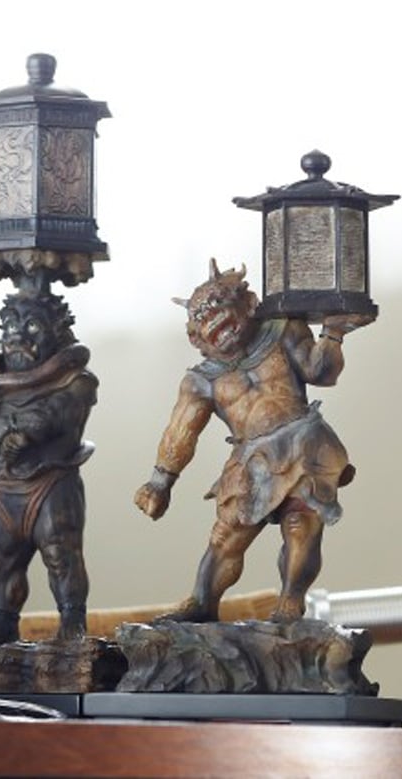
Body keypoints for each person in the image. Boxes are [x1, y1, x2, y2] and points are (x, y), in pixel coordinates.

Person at [134, 259, 371, 622]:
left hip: (304, 444)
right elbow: (181, 432)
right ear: (198, 339)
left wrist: (332, 333)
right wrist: (159, 482)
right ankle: (202, 602)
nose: (223, 333)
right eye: (211, 329)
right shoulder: (201, 381)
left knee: (301, 526)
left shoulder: (284, 331)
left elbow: (320, 371)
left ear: (247, 306)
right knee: (226, 536)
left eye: (225, 319)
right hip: (249, 460)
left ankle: (290, 602)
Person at [0, 291, 98, 644]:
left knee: (61, 556)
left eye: (32, 327)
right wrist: (2, 436)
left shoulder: (76, 380)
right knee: (1, 561)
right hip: (4, 488)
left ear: (56, 330)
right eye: (10, 327)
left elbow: (47, 418)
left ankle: (72, 624)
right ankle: (0, 622)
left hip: (50, 484)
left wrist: (11, 429)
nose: (18, 336)